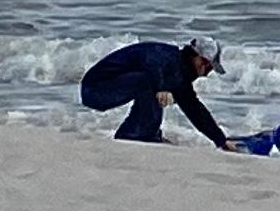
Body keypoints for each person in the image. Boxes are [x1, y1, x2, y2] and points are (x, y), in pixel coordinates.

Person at [78, 33, 238, 147]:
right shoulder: (166, 57)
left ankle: (143, 133)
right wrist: (161, 87)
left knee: (163, 90)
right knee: (147, 82)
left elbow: (195, 110)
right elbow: (151, 63)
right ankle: (135, 134)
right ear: (195, 57)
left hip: (108, 88)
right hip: (94, 89)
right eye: (206, 64)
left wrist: (220, 140)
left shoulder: (181, 75)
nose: (207, 70)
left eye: (210, 67)